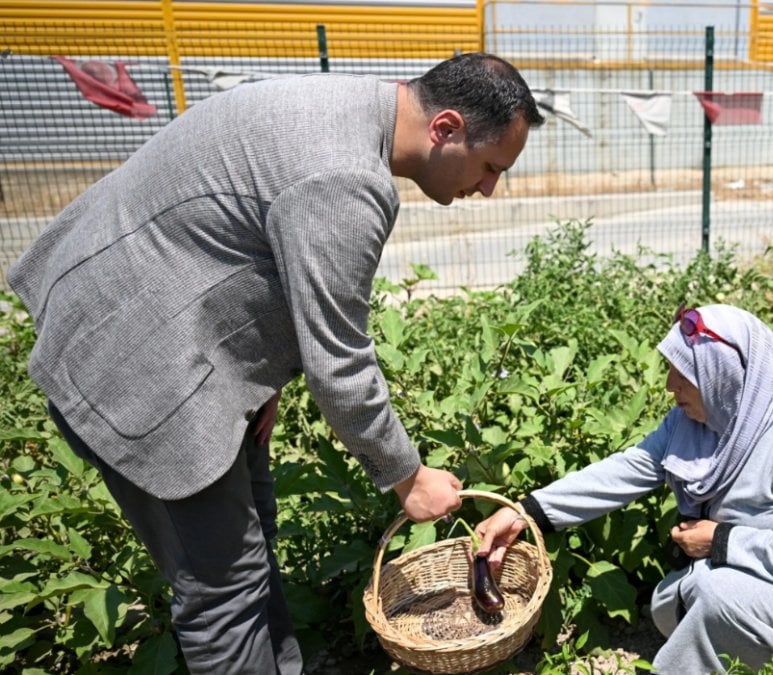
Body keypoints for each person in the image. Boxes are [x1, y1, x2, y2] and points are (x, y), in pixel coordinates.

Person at [6, 52, 545, 673]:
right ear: (445, 128)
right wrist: (408, 476)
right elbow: (340, 364)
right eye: (490, 167)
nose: (488, 188)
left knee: (250, 554)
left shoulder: (338, 103)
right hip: (138, 363)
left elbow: (237, 234)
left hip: (142, 319)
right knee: (223, 596)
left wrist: (261, 375)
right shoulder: (348, 179)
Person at [474, 304, 773, 673]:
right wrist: (526, 513)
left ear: (722, 378)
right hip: (768, 561)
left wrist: (721, 541)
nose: (670, 386)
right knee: (669, 607)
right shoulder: (706, 415)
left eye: (684, 374)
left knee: (714, 598)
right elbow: (629, 468)